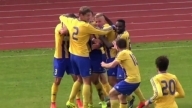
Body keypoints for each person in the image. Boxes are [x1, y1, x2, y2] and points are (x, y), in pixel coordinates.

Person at [59, 6, 115, 108]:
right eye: (88, 15)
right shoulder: (86, 26)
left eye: (90, 15)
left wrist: (70, 21)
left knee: (79, 79)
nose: (90, 17)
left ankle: (70, 101)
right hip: (82, 56)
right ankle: (85, 105)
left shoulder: (72, 21)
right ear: (81, 15)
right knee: (86, 81)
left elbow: (61, 17)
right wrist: (113, 27)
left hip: (73, 55)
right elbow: (102, 32)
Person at [50, 13, 83, 108]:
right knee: (57, 81)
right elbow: (62, 32)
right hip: (60, 58)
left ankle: (78, 100)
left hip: (71, 57)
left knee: (77, 79)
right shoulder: (59, 27)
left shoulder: (74, 28)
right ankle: (53, 103)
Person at [101, 38, 141, 108]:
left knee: (112, 94)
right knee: (122, 97)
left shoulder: (122, 54)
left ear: (118, 46)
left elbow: (112, 65)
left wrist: (104, 64)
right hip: (136, 79)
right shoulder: (128, 52)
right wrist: (117, 47)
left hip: (131, 80)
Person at [115, 19, 146, 108]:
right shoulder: (125, 33)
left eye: (119, 26)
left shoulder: (122, 36)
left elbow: (114, 45)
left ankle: (129, 99)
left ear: (124, 27)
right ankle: (142, 100)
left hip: (124, 60)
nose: (117, 28)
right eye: (116, 26)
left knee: (124, 85)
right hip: (125, 59)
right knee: (131, 82)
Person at [95, 13, 118, 88]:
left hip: (112, 56)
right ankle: (125, 98)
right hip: (111, 56)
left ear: (104, 20)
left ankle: (127, 98)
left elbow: (107, 44)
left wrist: (96, 32)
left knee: (112, 81)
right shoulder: (108, 27)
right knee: (116, 80)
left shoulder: (106, 27)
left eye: (99, 21)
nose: (98, 23)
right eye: (96, 22)